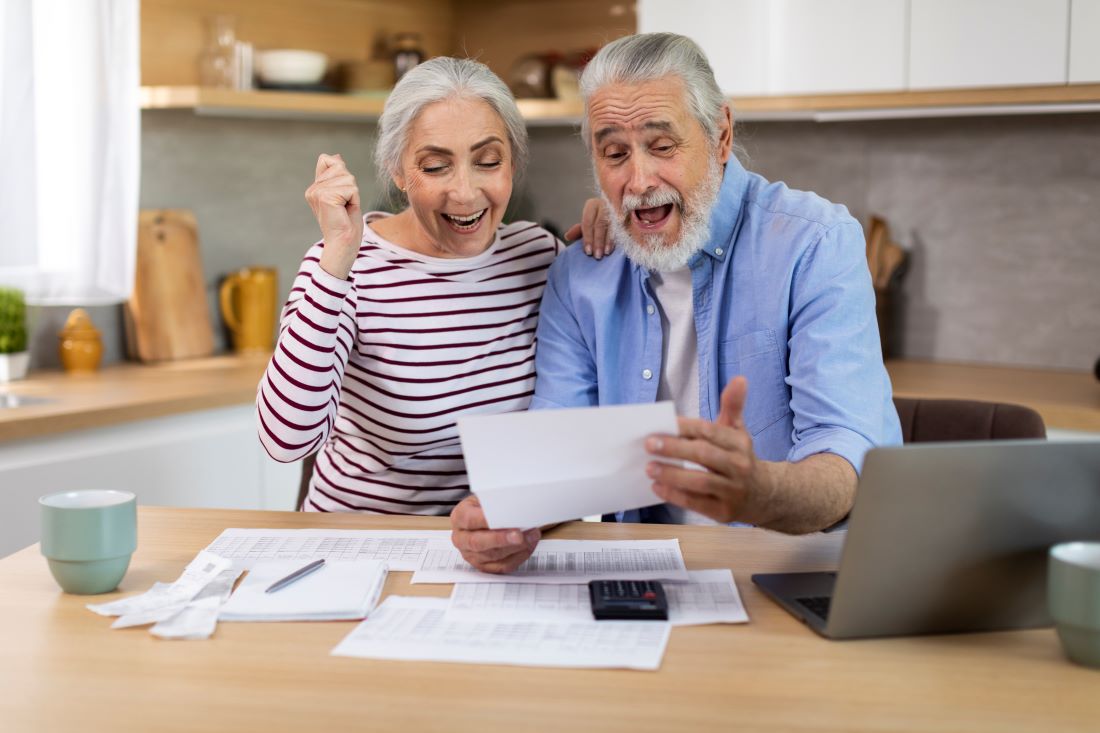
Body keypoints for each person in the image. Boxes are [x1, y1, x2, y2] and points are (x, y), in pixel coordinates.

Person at [451, 32, 903, 572]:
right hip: (649, 576)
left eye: (662, 147)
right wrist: (511, 517)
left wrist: (762, 491)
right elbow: (557, 450)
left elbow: (848, 455)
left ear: (720, 135)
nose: (638, 180)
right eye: (614, 153)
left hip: (793, 567)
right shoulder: (581, 274)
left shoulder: (814, 243)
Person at [257, 57, 609, 514]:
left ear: (512, 163)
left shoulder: (539, 256)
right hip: (361, 548)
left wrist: (621, 229)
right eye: (436, 166)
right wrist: (337, 256)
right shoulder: (347, 267)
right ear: (399, 172)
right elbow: (285, 440)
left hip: (498, 546)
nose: (464, 193)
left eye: (487, 161)